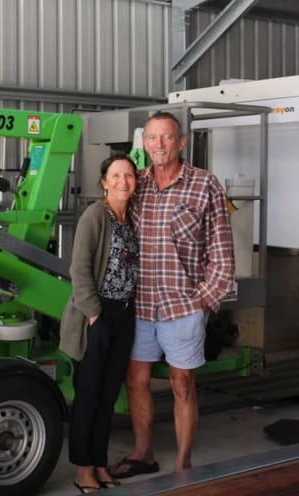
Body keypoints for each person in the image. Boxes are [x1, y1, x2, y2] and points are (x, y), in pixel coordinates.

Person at [110, 111, 235, 479]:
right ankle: (143, 453)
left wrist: (203, 301)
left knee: (182, 383)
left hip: (183, 305)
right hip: (141, 304)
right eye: (152, 138)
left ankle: (183, 465)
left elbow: (223, 255)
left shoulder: (204, 185)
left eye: (166, 138)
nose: (159, 144)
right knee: (136, 380)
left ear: (181, 143)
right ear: (143, 143)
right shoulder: (136, 183)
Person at [60, 153, 139, 493]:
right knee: (89, 396)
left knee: (108, 397)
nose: (124, 181)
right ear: (104, 182)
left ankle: (101, 464)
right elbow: (78, 270)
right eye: (116, 175)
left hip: (124, 314)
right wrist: (94, 313)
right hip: (98, 316)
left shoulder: (131, 218)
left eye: (130, 175)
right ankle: (83, 470)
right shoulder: (96, 215)